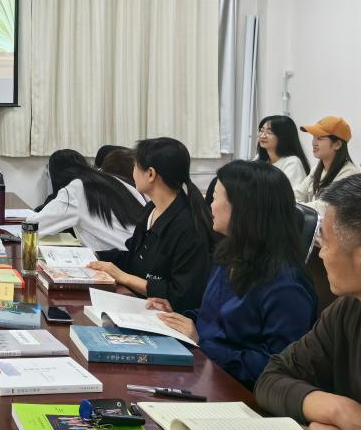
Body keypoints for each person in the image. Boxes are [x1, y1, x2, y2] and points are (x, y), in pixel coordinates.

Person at [148, 160, 316, 388]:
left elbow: (276, 368)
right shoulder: (229, 254)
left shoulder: (287, 286)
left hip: (238, 392)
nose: (210, 204)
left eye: (216, 197)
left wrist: (203, 343)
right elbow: (212, 317)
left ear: (242, 208)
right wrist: (176, 317)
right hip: (207, 371)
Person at [255, 174, 361, 430]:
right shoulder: (347, 309)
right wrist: (336, 409)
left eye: (325, 243)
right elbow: (271, 378)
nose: (321, 254)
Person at [89, 137, 213, 313]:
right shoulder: (152, 209)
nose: (132, 172)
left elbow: (181, 295)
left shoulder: (188, 227)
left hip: (166, 316)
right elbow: (134, 258)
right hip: (137, 303)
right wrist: (95, 256)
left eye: (135, 166)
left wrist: (124, 277)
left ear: (151, 174)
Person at [32, 149, 145, 251]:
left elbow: (34, 227)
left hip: (118, 260)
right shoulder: (116, 181)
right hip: (142, 255)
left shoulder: (76, 189)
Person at [295, 116, 358, 213]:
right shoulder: (317, 169)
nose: (314, 143)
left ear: (337, 144)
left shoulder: (350, 174)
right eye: (314, 137)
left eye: (320, 138)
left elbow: (325, 207)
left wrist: (292, 206)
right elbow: (297, 193)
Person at [256, 114, 310, 188]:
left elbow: (290, 193)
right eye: (261, 131)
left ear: (283, 136)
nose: (262, 136)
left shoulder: (292, 163)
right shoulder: (259, 158)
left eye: (269, 132)